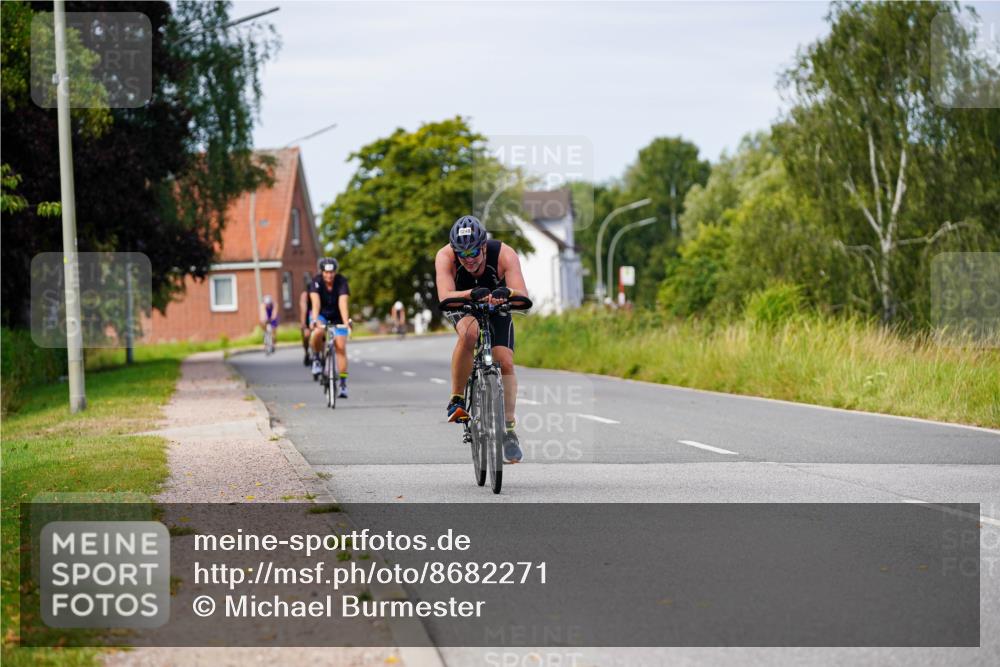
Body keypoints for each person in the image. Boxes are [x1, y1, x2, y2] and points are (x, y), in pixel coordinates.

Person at [434, 215, 528, 463]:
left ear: (484, 246)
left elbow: (522, 294)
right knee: (470, 333)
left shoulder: (504, 254)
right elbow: (445, 296)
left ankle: (508, 428)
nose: (469, 259)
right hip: (462, 304)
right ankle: (456, 399)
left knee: (504, 361)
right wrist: (470, 294)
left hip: (496, 304)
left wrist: (506, 292)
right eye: (462, 254)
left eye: (474, 251)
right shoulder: (445, 256)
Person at [309, 257, 351, 398]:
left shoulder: (341, 282)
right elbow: (315, 303)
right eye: (326, 273)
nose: (329, 275)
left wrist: (346, 322)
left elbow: (343, 303)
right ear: (321, 272)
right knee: (318, 332)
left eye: (332, 272)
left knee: (340, 347)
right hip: (321, 315)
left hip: (337, 316)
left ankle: (343, 383)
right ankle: (316, 358)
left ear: (335, 272)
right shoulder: (316, 281)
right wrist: (315, 320)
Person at [298, 274, 312, 366]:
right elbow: (303, 310)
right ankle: (307, 353)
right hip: (308, 316)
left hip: (317, 316)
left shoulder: (320, 294)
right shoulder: (304, 296)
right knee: (306, 335)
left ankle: (322, 356)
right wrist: (304, 325)